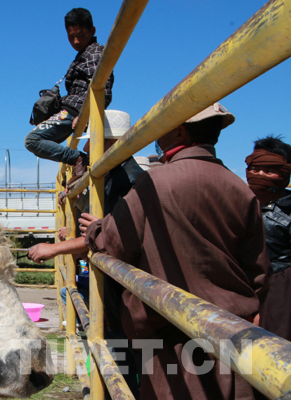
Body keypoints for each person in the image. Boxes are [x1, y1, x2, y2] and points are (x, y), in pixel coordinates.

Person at [81, 103, 269, 400]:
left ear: (180, 130)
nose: (156, 135)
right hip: (231, 329)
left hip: (170, 328)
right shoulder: (240, 188)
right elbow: (257, 270)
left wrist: (97, 229)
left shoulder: (154, 182)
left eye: (163, 126)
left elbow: (114, 244)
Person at [29, 109, 144, 398]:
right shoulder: (110, 172)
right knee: (110, 338)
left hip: (122, 278)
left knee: (121, 343)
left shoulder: (124, 178)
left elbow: (106, 235)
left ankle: (120, 391)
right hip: (114, 274)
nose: (85, 148)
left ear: (108, 142)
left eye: (92, 140)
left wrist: (54, 248)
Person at [24, 7, 114, 185]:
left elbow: (102, 88)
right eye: (71, 36)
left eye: (81, 35)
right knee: (39, 141)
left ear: (92, 31)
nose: (76, 40)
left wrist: (86, 114)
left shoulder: (94, 53)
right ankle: (75, 163)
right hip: (72, 109)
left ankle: (77, 159)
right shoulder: (82, 54)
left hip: (74, 111)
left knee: (32, 140)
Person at [245, 136, 291, 341]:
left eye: (268, 169)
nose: (260, 175)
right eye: (255, 168)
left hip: (280, 295)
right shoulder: (237, 202)